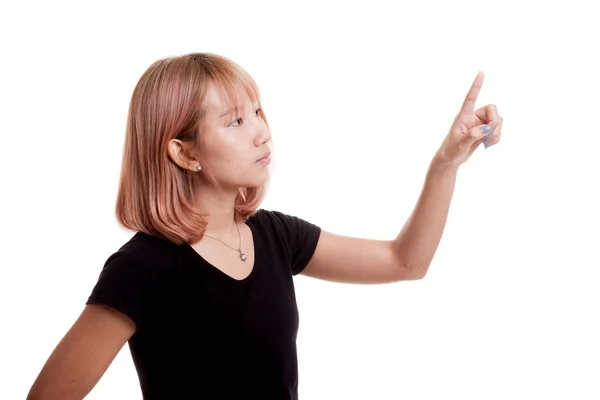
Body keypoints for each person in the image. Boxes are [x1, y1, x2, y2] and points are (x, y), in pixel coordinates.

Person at [27, 52, 503, 399]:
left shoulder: (276, 236)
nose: (261, 130)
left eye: (257, 111)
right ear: (184, 152)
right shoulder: (142, 267)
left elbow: (406, 261)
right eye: (234, 121)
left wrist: (446, 164)